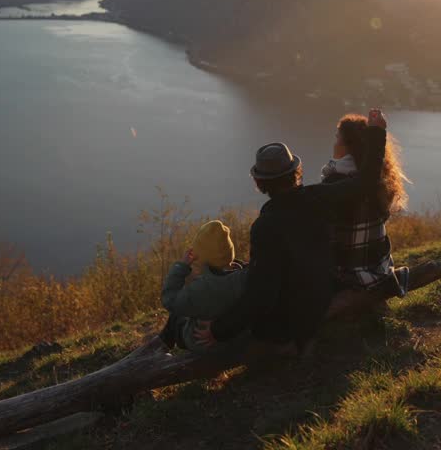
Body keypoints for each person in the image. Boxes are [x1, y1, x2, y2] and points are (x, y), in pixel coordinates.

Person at [193, 108, 389, 353]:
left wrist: (218, 330)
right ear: (297, 172)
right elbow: (366, 182)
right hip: (321, 299)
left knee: (229, 286)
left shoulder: (266, 227)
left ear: (258, 182)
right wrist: (377, 133)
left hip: (286, 326)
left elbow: (261, 294)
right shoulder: (319, 196)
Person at [324, 113, 410, 295]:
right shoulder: (380, 181)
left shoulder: (336, 181)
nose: (334, 143)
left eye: (337, 137)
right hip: (378, 269)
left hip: (348, 275)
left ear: (348, 146)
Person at [158, 220, 247, 352]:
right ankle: (162, 344)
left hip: (203, 343)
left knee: (176, 316)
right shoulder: (243, 276)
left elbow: (168, 299)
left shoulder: (201, 288)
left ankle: (162, 347)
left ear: (200, 257)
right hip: (235, 336)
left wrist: (181, 266)